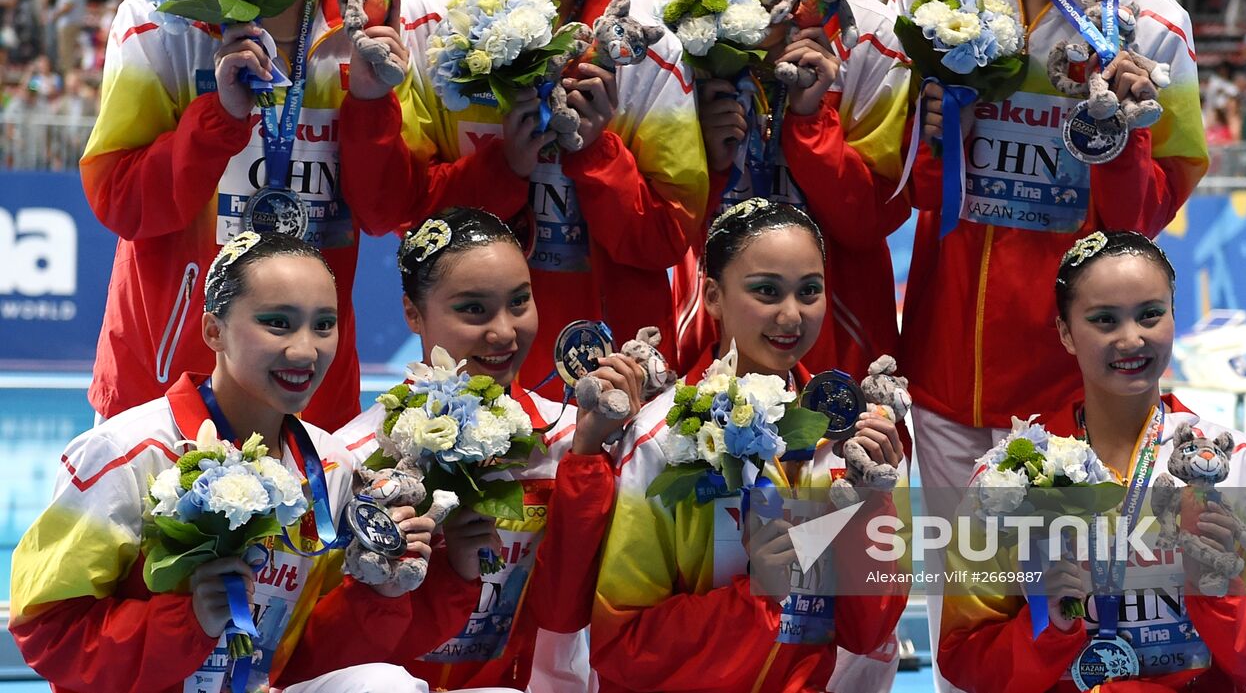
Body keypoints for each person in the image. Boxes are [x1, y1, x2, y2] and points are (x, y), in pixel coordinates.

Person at [888, 0, 1209, 682]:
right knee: (974, 630)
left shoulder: (1158, 27)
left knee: (1073, 618)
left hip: (1081, 384)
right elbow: (893, 166)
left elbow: (1143, 225)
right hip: (950, 370)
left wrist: (1119, 137)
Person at [9, 233, 496, 693]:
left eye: (324, 324)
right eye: (277, 322)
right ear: (213, 330)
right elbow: (47, 631)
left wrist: (381, 590)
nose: (305, 349)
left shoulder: (331, 468)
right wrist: (187, 620)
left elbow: (310, 655)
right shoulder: (125, 453)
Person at [80, 0, 415, 429]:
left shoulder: (364, 25)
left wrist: (372, 106)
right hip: (168, 383)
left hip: (307, 393)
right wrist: (218, 120)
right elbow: (121, 200)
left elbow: (382, 215)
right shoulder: (166, 17)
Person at [339, 0, 706, 391]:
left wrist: (595, 151)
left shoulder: (650, 52)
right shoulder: (427, 27)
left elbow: (666, 238)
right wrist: (502, 167)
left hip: (609, 374)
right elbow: (388, 210)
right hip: (463, 377)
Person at [939, 230, 1246, 691]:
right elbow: (965, 659)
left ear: (1174, 317)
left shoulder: (1241, 467)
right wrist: (1047, 628)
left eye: (1150, 315)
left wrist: (1218, 594)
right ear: (1065, 332)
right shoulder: (1008, 479)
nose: (1131, 339)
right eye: (1104, 320)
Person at [629, 0, 911, 383]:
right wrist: (701, 154)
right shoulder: (653, 26)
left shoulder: (878, 40)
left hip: (838, 333)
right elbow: (638, 220)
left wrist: (812, 122)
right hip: (701, 322)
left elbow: (871, 221)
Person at [592, 198, 909, 692]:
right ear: (713, 296)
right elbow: (621, 645)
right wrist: (754, 594)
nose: (791, 315)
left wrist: (873, 502)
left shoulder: (852, 445)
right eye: (766, 291)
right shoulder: (662, 439)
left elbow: (868, 634)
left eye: (810, 291)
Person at [336, 207, 645, 692]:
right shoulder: (354, 459)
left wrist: (591, 451)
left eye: (519, 302)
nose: (504, 332)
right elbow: (345, 651)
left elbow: (568, 610)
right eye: (474, 309)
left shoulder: (571, 442)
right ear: (412, 313)